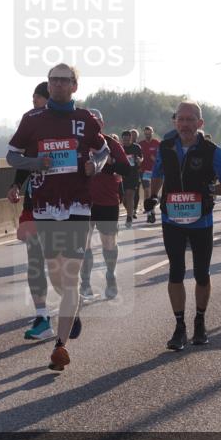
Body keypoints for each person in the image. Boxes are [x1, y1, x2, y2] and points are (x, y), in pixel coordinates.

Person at [7, 63, 108, 371]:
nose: (59, 85)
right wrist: (36, 161)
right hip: (46, 207)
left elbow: (103, 151)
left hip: (78, 205)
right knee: (56, 274)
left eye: (65, 81)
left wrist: (95, 166)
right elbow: (12, 155)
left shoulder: (85, 119)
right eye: (54, 80)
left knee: (71, 274)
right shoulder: (33, 119)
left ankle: (60, 346)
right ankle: (71, 308)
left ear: (74, 86)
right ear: (48, 85)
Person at [150, 103, 221, 350]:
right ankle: (179, 327)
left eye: (190, 120)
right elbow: (157, 173)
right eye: (181, 119)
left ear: (200, 123)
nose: (185, 124)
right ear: (175, 121)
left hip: (201, 220)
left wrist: (209, 189)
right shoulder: (165, 147)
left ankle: (199, 321)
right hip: (171, 219)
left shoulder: (212, 150)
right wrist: (153, 195)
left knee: (201, 273)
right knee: (175, 272)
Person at [8, 82, 54, 340]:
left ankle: (71, 305)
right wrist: (16, 184)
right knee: (35, 261)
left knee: (59, 265)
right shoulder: (32, 124)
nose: (33, 104)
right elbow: (21, 157)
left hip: (65, 204)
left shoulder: (75, 121)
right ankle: (42, 317)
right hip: (35, 202)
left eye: (35, 99)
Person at [80, 109, 130, 300]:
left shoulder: (111, 143)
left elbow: (126, 168)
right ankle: (85, 283)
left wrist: (108, 163)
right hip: (83, 201)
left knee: (108, 242)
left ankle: (110, 276)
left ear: (102, 124)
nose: (93, 125)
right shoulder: (79, 143)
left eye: (96, 122)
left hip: (107, 201)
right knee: (83, 244)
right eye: (89, 122)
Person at [121, 129, 143, 228]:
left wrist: (139, 160)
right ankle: (130, 211)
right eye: (124, 140)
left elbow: (141, 158)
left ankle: (129, 217)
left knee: (130, 195)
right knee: (124, 199)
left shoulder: (136, 147)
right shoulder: (120, 148)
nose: (126, 141)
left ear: (131, 139)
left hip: (133, 175)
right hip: (123, 176)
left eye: (127, 139)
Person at [139, 126, 160, 223]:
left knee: (153, 193)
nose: (147, 135)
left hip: (155, 171)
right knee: (147, 192)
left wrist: (155, 159)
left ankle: (153, 211)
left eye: (149, 133)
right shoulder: (141, 144)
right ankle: (149, 213)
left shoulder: (157, 143)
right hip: (145, 171)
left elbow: (161, 158)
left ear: (152, 132)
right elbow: (138, 158)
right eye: (146, 134)